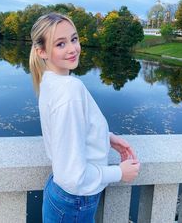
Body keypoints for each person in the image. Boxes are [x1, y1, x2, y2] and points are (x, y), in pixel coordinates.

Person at [29, 12, 140, 223]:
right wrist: (118, 173)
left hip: (61, 197)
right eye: (60, 44)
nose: (72, 48)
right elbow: (72, 177)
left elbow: (70, 131)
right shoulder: (69, 90)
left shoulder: (50, 82)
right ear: (41, 51)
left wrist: (106, 137)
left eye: (74, 39)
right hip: (74, 203)